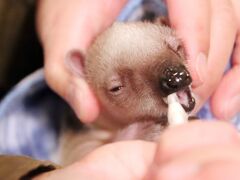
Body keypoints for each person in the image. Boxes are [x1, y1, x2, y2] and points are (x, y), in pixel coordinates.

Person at [1, 0, 240, 179]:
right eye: (117, 87)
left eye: (175, 47)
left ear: (167, 25)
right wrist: (129, 136)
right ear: (83, 80)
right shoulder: (77, 129)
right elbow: (78, 158)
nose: (173, 79)